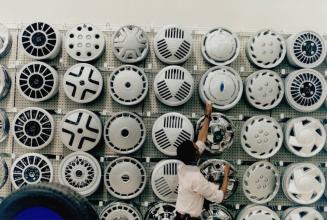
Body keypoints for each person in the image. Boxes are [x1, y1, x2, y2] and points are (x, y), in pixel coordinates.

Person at [175, 102, 230, 220]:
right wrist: (226, 174)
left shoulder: (181, 166)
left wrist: (208, 115)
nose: (197, 144)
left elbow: (201, 139)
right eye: (195, 146)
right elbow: (220, 197)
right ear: (196, 154)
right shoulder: (197, 179)